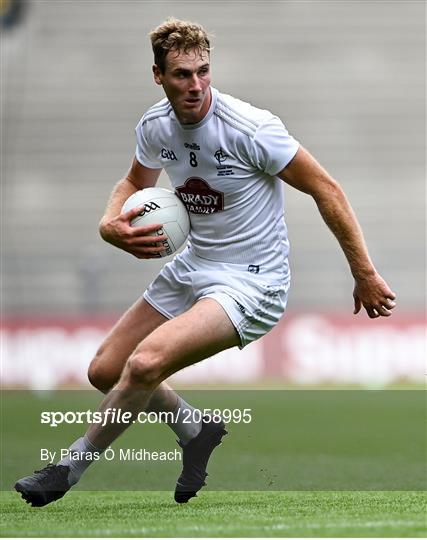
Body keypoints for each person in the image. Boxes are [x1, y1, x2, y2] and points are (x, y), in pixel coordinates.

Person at [15, 17, 396, 507]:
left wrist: (363, 271)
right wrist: (110, 221)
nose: (195, 85)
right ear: (158, 75)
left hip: (252, 283)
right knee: (106, 369)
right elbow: (135, 182)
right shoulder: (155, 125)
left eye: (203, 71)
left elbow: (327, 187)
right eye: (180, 74)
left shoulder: (251, 128)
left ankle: (66, 469)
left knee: (146, 362)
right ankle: (196, 431)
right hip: (195, 264)